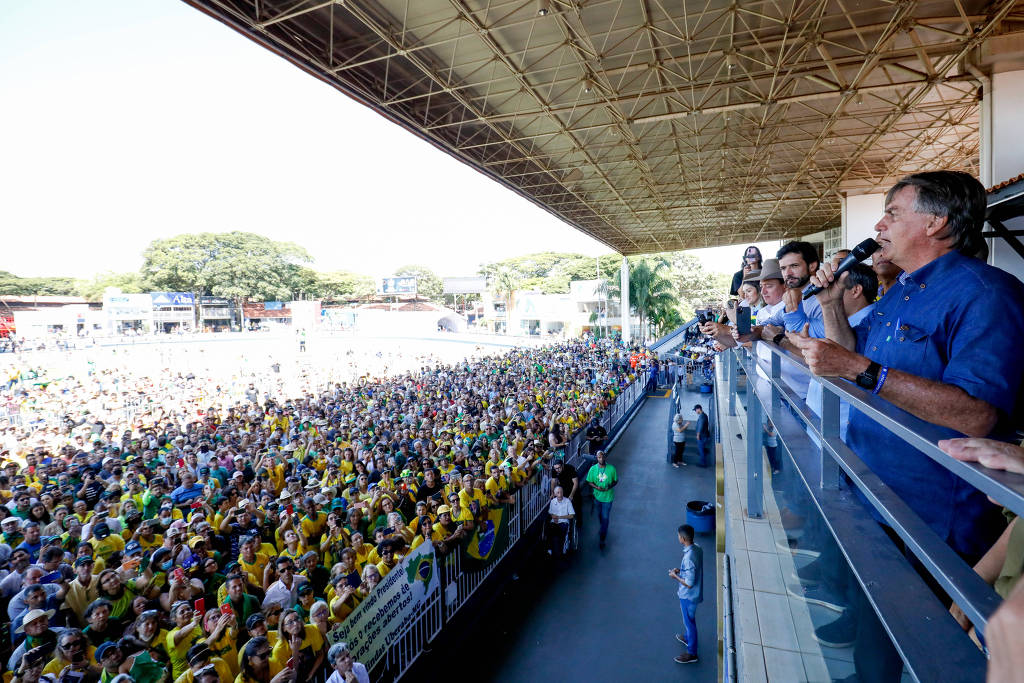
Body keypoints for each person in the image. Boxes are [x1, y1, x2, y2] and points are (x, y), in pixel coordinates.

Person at [792, 170, 1024, 681]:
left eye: (893, 212)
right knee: (877, 628)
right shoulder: (901, 293)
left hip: (935, 515)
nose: (879, 225)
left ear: (937, 222)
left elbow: (977, 413)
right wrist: (831, 307)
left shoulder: (985, 294)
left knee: (923, 646)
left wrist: (858, 369)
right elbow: (850, 358)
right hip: (874, 488)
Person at [669, 524, 702, 664]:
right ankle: (688, 638)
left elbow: (689, 583)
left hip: (688, 596)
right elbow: (692, 571)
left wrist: (674, 576)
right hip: (694, 594)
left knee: (689, 623)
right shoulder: (697, 548)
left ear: (682, 538)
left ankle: (692, 653)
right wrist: (681, 571)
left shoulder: (688, 557)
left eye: (678, 536)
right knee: (689, 621)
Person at [585, 450, 617, 549]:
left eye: (603, 457)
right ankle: (602, 527)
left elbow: (615, 481)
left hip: (608, 498)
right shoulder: (593, 469)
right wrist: (596, 487)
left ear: (605, 457)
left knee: (605, 518)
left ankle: (602, 539)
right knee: (600, 515)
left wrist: (609, 487)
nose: (601, 459)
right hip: (597, 497)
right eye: (599, 457)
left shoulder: (611, 469)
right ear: (597, 458)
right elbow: (589, 481)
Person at [546, 485, 575, 558]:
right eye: (558, 492)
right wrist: (553, 517)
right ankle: (549, 549)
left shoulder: (567, 501)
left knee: (562, 533)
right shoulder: (553, 501)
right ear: (555, 494)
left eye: (561, 492)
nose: (560, 494)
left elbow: (571, 515)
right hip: (554, 521)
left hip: (564, 522)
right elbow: (550, 512)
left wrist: (560, 517)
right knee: (549, 531)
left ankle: (563, 548)